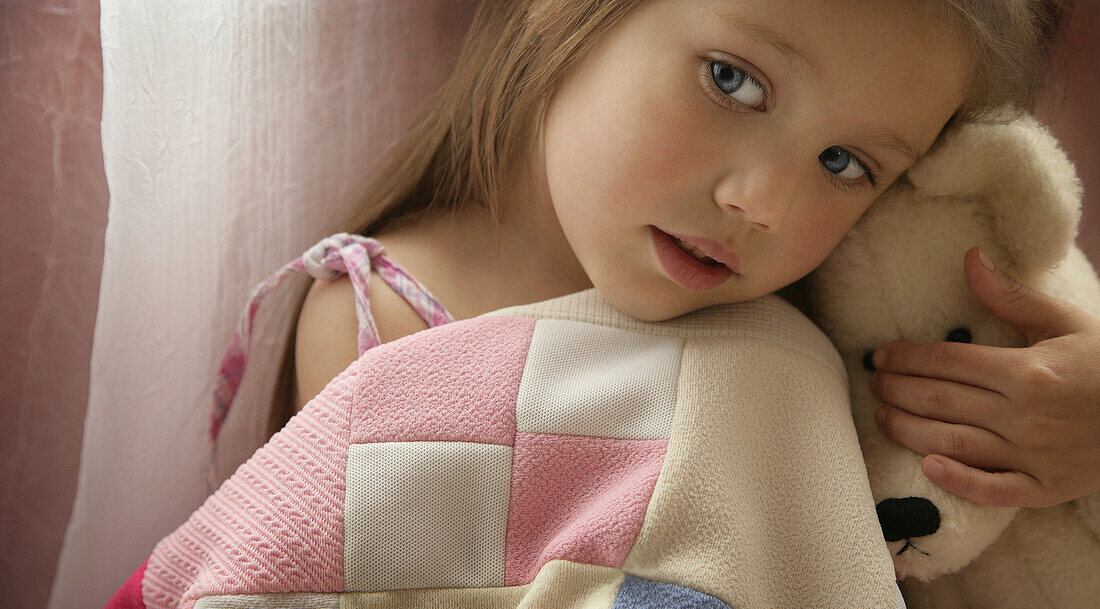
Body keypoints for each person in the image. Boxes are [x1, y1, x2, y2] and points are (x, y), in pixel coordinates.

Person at [219, 0, 1095, 514]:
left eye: (846, 164)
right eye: (732, 80)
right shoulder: (386, 324)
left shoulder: (839, 319)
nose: (764, 203)